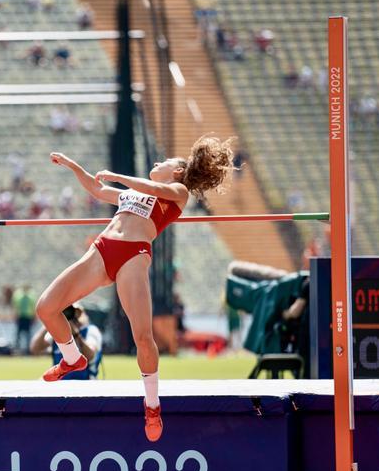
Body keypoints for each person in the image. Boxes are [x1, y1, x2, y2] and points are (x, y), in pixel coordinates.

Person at [39, 135, 234, 442]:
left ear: (179, 171)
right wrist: (71, 164)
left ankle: (152, 406)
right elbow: (97, 188)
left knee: (142, 337)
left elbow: (153, 188)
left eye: (164, 162)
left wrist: (118, 176)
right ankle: (73, 358)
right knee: (46, 307)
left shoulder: (178, 192)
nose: (158, 163)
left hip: (133, 256)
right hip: (102, 252)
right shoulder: (133, 192)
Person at [30, 303, 101, 379]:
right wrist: (50, 323)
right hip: (60, 384)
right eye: (63, 312)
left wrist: (76, 334)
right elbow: (35, 348)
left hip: (85, 382)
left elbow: (90, 355)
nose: (68, 315)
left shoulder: (90, 330)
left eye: (71, 311)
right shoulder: (57, 331)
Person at [12, 284, 37, 353]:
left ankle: (28, 350)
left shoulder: (31, 296)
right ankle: (17, 349)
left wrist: (34, 317)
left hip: (28, 317)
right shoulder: (19, 296)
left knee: (28, 334)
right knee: (18, 334)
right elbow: (16, 307)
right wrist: (16, 316)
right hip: (21, 317)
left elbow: (33, 307)